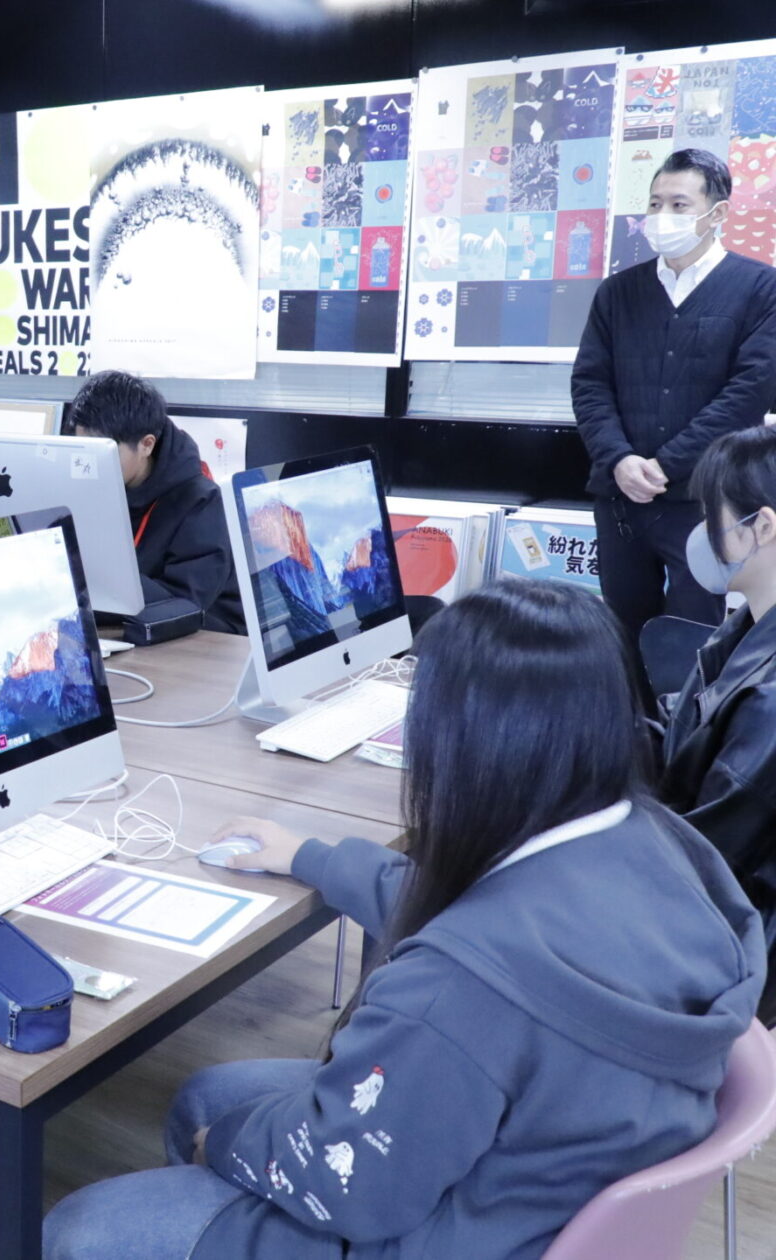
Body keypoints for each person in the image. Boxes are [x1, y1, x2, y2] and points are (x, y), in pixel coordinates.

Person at [44, 578, 762, 1260]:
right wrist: (313, 858)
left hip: (448, 1232)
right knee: (206, 1094)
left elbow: (351, 1186)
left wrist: (225, 1147)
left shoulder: (460, 989)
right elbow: (479, 923)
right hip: (552, 1180)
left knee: (87, 1226)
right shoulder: (650, 843)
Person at [571, 147, 776, 640]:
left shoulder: (760, 288)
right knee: (619, 636)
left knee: (692, 639)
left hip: (704, 502)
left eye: (679, 205)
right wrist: (619, 459)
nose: (663, 215)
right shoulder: (617, 292)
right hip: (620, 498)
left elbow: (748, 392)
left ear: (717, 213)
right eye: (655, 203)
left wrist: (666, 465)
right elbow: (590, 383)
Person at [661, 425, 776, 1022]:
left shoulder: (771, 701)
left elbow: (704, 851)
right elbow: (687, 737)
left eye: (713, 515)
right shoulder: (749, 623)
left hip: (735, 937)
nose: (703, 532)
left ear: (763, 527)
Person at [65, 370, 244, 632]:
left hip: (204, 635)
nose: (91, 465)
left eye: (104, 452)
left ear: (147, 445)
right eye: (84, 450)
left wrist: (90, 587)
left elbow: (184, 603)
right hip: (122, 629)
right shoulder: (97, 483)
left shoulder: (202, 503)